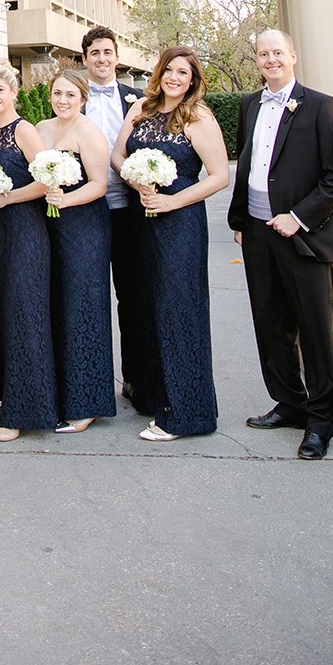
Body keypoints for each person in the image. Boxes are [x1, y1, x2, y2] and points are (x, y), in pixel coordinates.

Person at [228, 29, 333, 461]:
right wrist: (241, 220)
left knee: (314, 331)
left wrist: (297, 217)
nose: (270, 60)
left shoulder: (320, 106)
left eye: (277, 52)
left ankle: (321, 422)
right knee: (270, 323)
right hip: (258, 235)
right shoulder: (249, 105)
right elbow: (248, 165)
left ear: (293, 56)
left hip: (304, 236)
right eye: (263, 54)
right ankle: (290, 403)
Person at [112, 46, 229, 441]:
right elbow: (116, 155)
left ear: (193, 79)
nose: (175, 77)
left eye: (184, 72)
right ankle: (154, 395)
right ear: (159, 72)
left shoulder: (198, 116)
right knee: (144, 307)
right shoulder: (141, 108)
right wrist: (136, 179)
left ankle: (186, 414)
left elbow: (218, 176)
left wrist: (172, 199)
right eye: (170, 70)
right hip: (138, 218)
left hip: (179, 222)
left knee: (177, 310)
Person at [0, 61, 58, 441]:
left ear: (14, 92)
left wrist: (6, 197)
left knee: (25, 317)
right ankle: (13, 397)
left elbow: (46, 181)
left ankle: (24, 412)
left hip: (26, 232)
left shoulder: (24, 130)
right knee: (5, 318)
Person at [35, 71, 116, 433]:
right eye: (57, 93)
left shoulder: (89, 133)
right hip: (49, 227)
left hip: (84, 229)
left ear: (82, 98)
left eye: (70, 94)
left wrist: (65, 199)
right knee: (55, 308)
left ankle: (86, 404)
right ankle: (57, 396)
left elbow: (99, 185)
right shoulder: (42, 128)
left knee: (83, 309)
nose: (62, 100)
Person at [80, 26, 142, 402]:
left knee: (131, 296)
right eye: (94, 53)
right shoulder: (71, 100)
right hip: (84, 213)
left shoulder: (137, 100)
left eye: (107, 52)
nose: (102, 59)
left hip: (128, 212)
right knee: (87, 295)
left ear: (117, 57)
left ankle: (134, 377)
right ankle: (90, 379)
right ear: (84, 59)